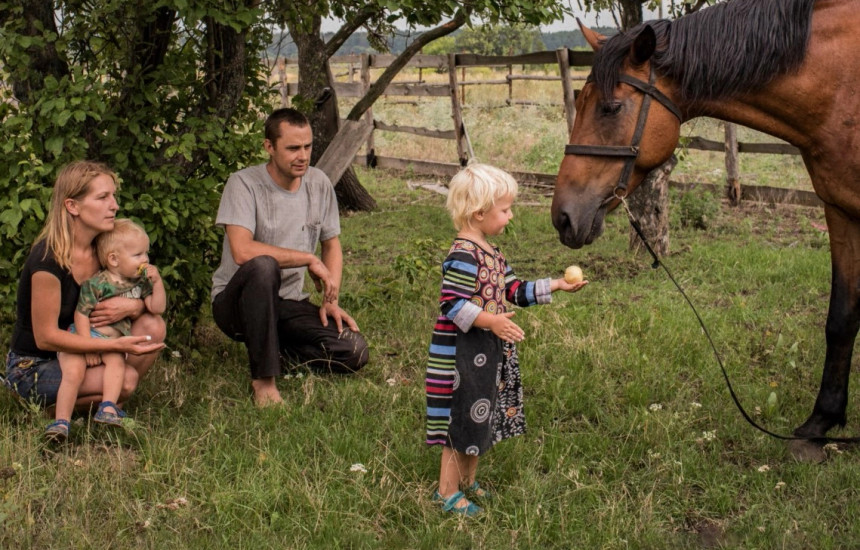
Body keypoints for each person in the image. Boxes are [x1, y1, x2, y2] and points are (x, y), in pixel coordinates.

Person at [425, 163, 589, 516]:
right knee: (459, 421)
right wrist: (492, 321)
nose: (511, 216)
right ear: (480, 212)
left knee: (478, 416)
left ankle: (468, 482)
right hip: (462, 355)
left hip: (485, 352)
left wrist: (556, 285)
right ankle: (446, 491)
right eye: (505, 209)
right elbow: (452, 305)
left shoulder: (492, 252)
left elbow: (513, 290)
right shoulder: (463, 255)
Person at [211, 108, 369, 407]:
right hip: (236, 306)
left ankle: (276, 352)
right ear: (269, 147)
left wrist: (331, 299)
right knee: (262, 265)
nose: (303, 156)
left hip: (287, 303)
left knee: (354, 351)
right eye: (293, 148)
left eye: (307, 147)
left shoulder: (319, 183)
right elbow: (242, 251)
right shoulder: (243, 184)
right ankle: (264, 383)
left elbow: (331, 244)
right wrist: (306, 259)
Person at [3, 161, 166, 439]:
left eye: (113, 196)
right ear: (73, 206)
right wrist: (111, 344)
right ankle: (49, 410)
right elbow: (45, 338)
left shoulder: (103, 247)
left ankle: (107, 407)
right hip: (35, 365)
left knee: (153, 326)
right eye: (102, 197)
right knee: (127, 380)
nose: (114, 205)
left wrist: (134, 305)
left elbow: (143, 290)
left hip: (86, 349)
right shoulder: (48, 260)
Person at [47, 219, 167, 439]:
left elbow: (156, 308)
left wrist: (157, 283)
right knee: (73, 373)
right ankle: (60, 422)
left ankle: (108, 408)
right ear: (113, 259)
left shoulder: (141, 282)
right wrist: (88, 346)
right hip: (85, 337)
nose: (145, 260)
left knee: (117, 364)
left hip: (112, 342)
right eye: (138, 255)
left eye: (146, 254)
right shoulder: (97, 283)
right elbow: (81, 314)